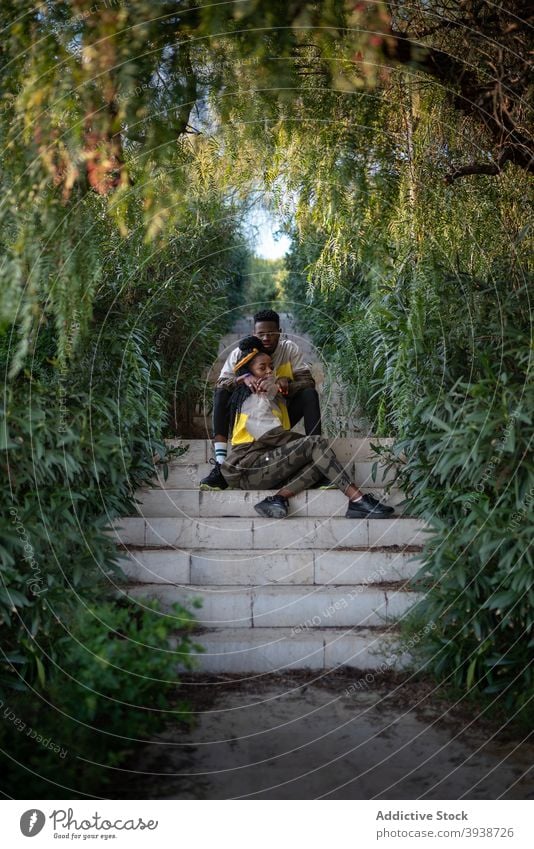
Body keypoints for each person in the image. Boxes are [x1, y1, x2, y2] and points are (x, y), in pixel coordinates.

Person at [219, 336, 394, 519]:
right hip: (247, 469)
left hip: (266, 465)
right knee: (317, 446)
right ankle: (358, 499)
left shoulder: (267, 397)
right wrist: (313, 444)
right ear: (250, 373)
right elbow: (274, 437)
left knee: (321, 461)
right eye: (262, 368)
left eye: (271, 367)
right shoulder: (251, 400)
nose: (270, 372)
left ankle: (278, 498)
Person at [200, 309, 321, 490]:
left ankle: (317, 460)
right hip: (248, 421)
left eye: (271, 333)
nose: (266, 338)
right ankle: (220, 465)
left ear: (279, 332)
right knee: (221, 392)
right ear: (253, 334)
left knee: (310, 394)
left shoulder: (289, 349)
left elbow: (307, 381)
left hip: (280, 414)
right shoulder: (240, 354)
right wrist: (242, 379)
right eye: (261, 334)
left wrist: (286, 382)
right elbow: (222, 382)